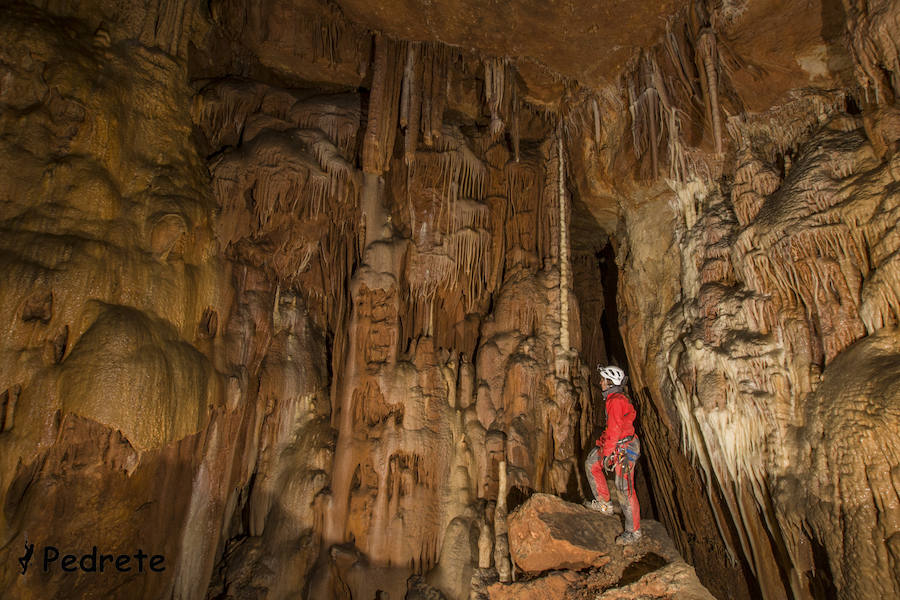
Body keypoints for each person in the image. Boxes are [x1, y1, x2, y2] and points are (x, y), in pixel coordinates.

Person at [584, 365, 642, 544]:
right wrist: (604, 448)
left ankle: (634, 532)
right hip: (616, 444)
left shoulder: (616, 400)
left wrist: (608, 453)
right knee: (592, 462)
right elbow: (612, 429)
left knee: (624, 488)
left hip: (625, 448)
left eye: (603, 380)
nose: (600, 382)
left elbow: (616, 429)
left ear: (611, 383)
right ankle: (604, 504)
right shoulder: (613, 398)